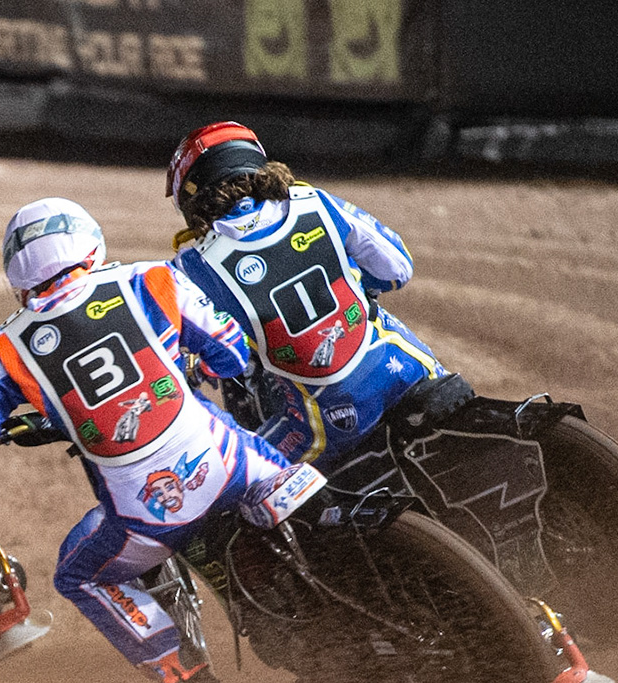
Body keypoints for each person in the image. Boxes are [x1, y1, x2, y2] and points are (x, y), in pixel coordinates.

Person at [0, 198, 326, 683]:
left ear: (18, 278)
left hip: (148, 518)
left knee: (78, 574)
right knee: (305, 474)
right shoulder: (150, 279)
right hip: (234, 466)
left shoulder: (5, 347)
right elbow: (232, 353)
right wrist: (178, 361)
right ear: (92, 247)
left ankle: (184, 677)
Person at [166, 121, 450, 466]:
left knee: (238, 481)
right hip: (410, 370)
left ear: (194, 197)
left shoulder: (192, 265)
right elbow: (397, 269)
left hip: (326, 426)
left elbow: (185, 353)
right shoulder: (314, 201)